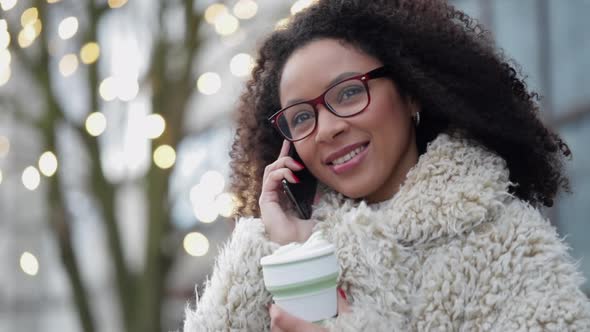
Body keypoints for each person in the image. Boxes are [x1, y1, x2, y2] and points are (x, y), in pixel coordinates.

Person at [183, 0, 590, 331]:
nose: (326, 129)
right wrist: (291, 250)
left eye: (347, 93)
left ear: (411, 92)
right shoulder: (276, 253)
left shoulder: (507, 246)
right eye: (302, 117)